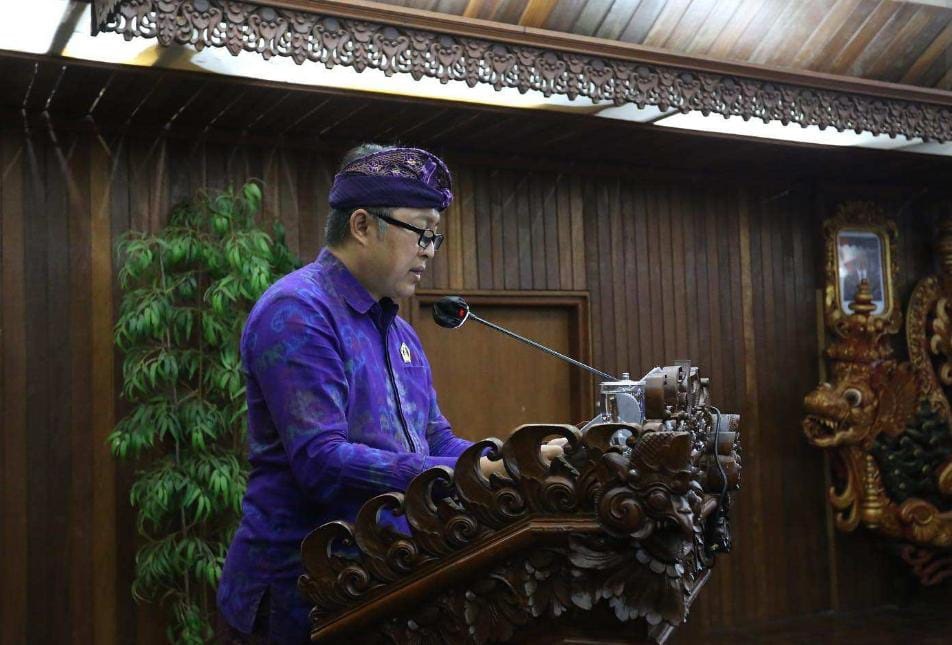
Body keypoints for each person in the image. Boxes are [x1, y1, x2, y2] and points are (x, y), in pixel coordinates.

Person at [217, 144, 563, 643]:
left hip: (386, 585)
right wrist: (468, 474)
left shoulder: (400, 331)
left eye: (435, 236)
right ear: (362, 225)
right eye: (421, 230)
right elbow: (322, 462)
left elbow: (435, 439)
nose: (429, 249)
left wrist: (510, 459)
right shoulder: (298, 312)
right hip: (303, 594)